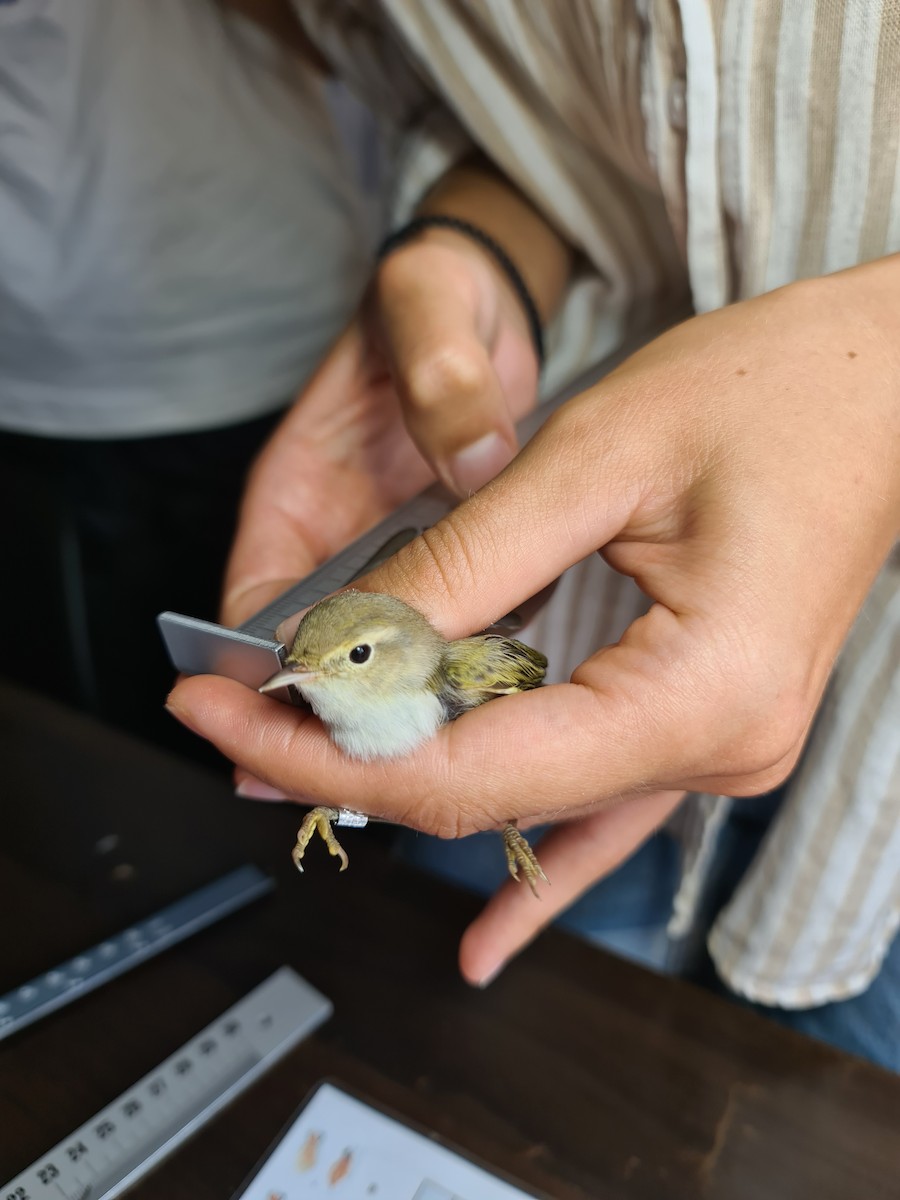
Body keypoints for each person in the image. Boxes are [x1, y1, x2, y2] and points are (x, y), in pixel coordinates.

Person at [167, 3, 900, 1069]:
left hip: (869, 811)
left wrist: (877, 370)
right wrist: (481, 248)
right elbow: (559, 126)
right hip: (601, 680)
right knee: (518, 1058)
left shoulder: (446, 656)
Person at [0, 0, 377, 756]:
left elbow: (381, 47)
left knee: (316, 735)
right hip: (37, 363)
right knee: (90, 755)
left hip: (287, 322)